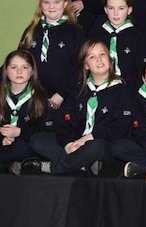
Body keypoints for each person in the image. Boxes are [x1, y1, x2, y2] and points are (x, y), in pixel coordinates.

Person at [24, 40, 131, 175]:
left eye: (102, 55)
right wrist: (68, 144)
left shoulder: (122, 90)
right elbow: (64, 121)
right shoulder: (78, 89)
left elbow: (120, 127)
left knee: (95, 147)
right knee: (37, 139)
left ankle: (56, 167)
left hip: (100, 144)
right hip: (76, 143)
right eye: (92, 57)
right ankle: (81, 165)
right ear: (86, 65)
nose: (99, 60)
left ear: (110, 59)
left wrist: (84, 140)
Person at [18, 0, 84, 110]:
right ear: (40, 3)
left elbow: (80, 67)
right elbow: (19, 61)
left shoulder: (75, 32)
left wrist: (61, 94)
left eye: (56, 2)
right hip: (33, 98)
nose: (51, 6)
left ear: (65, 3)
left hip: (65, 99)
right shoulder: (31, 31)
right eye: (46, 2)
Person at [0, 50, 51, 171]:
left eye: (24, 67)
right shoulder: (1, 94)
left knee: (21, 148)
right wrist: (2, 139)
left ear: (32, 71)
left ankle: (9, 166)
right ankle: (10, 166)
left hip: (24, 144)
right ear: (6, 71)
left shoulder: (40, 97)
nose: (19, 71)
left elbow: (46, 129)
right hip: (3, 145)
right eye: (13, 67)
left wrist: (20, 132)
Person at [89, 0, 146, 90]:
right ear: (105, 9)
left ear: (129, 10)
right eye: (111, 8)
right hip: (100, 87)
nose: (115, 13)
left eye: (121, 8)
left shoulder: (137, 35)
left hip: (128, 89)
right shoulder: (97, 33)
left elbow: (140, 68)